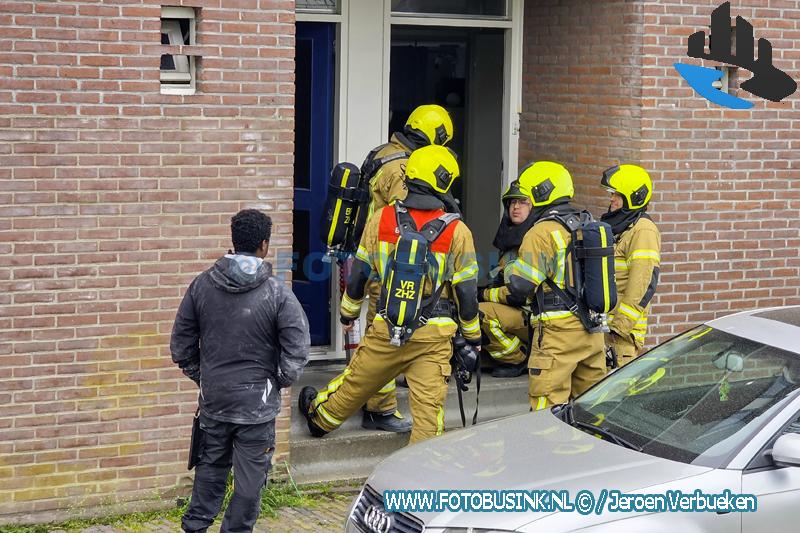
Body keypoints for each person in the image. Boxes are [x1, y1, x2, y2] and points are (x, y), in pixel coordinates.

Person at [298, 145, 481, 444]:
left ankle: (319, 419)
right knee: (428, 415)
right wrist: (472, 337)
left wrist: (348, 313)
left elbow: (360, 274)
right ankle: (419, 479)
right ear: (444, 182)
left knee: (355, 383)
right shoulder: (458, 231)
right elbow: (467, 292)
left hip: (387, 326)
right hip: (434, 338)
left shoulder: (381, 219)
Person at [171, 209, 310, 533]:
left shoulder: (201, 285)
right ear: (264, 244)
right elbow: (297, 350)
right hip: (256, 410)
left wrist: (205, 379)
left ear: (234, 241)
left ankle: (194, 527)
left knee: (208, 474)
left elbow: (181, 345)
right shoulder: (277, 294)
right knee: (248, 487)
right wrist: (275, 382)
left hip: (215, 403)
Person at [355, 103, 457, 433]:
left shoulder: (383, 153)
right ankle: (379, 407)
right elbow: (410, 216)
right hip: (395, 264)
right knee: (382, 329)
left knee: (384, 325)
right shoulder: (403, 168)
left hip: (378, 253)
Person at [506, 161, 606, 410]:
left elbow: (520, 286)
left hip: (557, 336)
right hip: (593, 332)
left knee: (548, 414)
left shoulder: (542, 232)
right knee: (591, 411)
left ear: (541, 192)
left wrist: (509, 269)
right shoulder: (586, 222)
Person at [600, 164, 661, 367]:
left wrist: (619, 328)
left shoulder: (643, 231)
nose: (612, 199)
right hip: (607, 330)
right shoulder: (624, 227)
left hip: (621, 337)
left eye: (617, 195)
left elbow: (642, 284)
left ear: (633, 198)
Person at [478, 180, 539, 377]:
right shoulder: (511, 243)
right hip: (514, 311)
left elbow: (519, 295)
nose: (516, 207)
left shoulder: (534, 240)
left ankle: (519, 358)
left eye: (522, 202)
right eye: (512, 203)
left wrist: (485, 294)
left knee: (482, 313)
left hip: (530, 314)